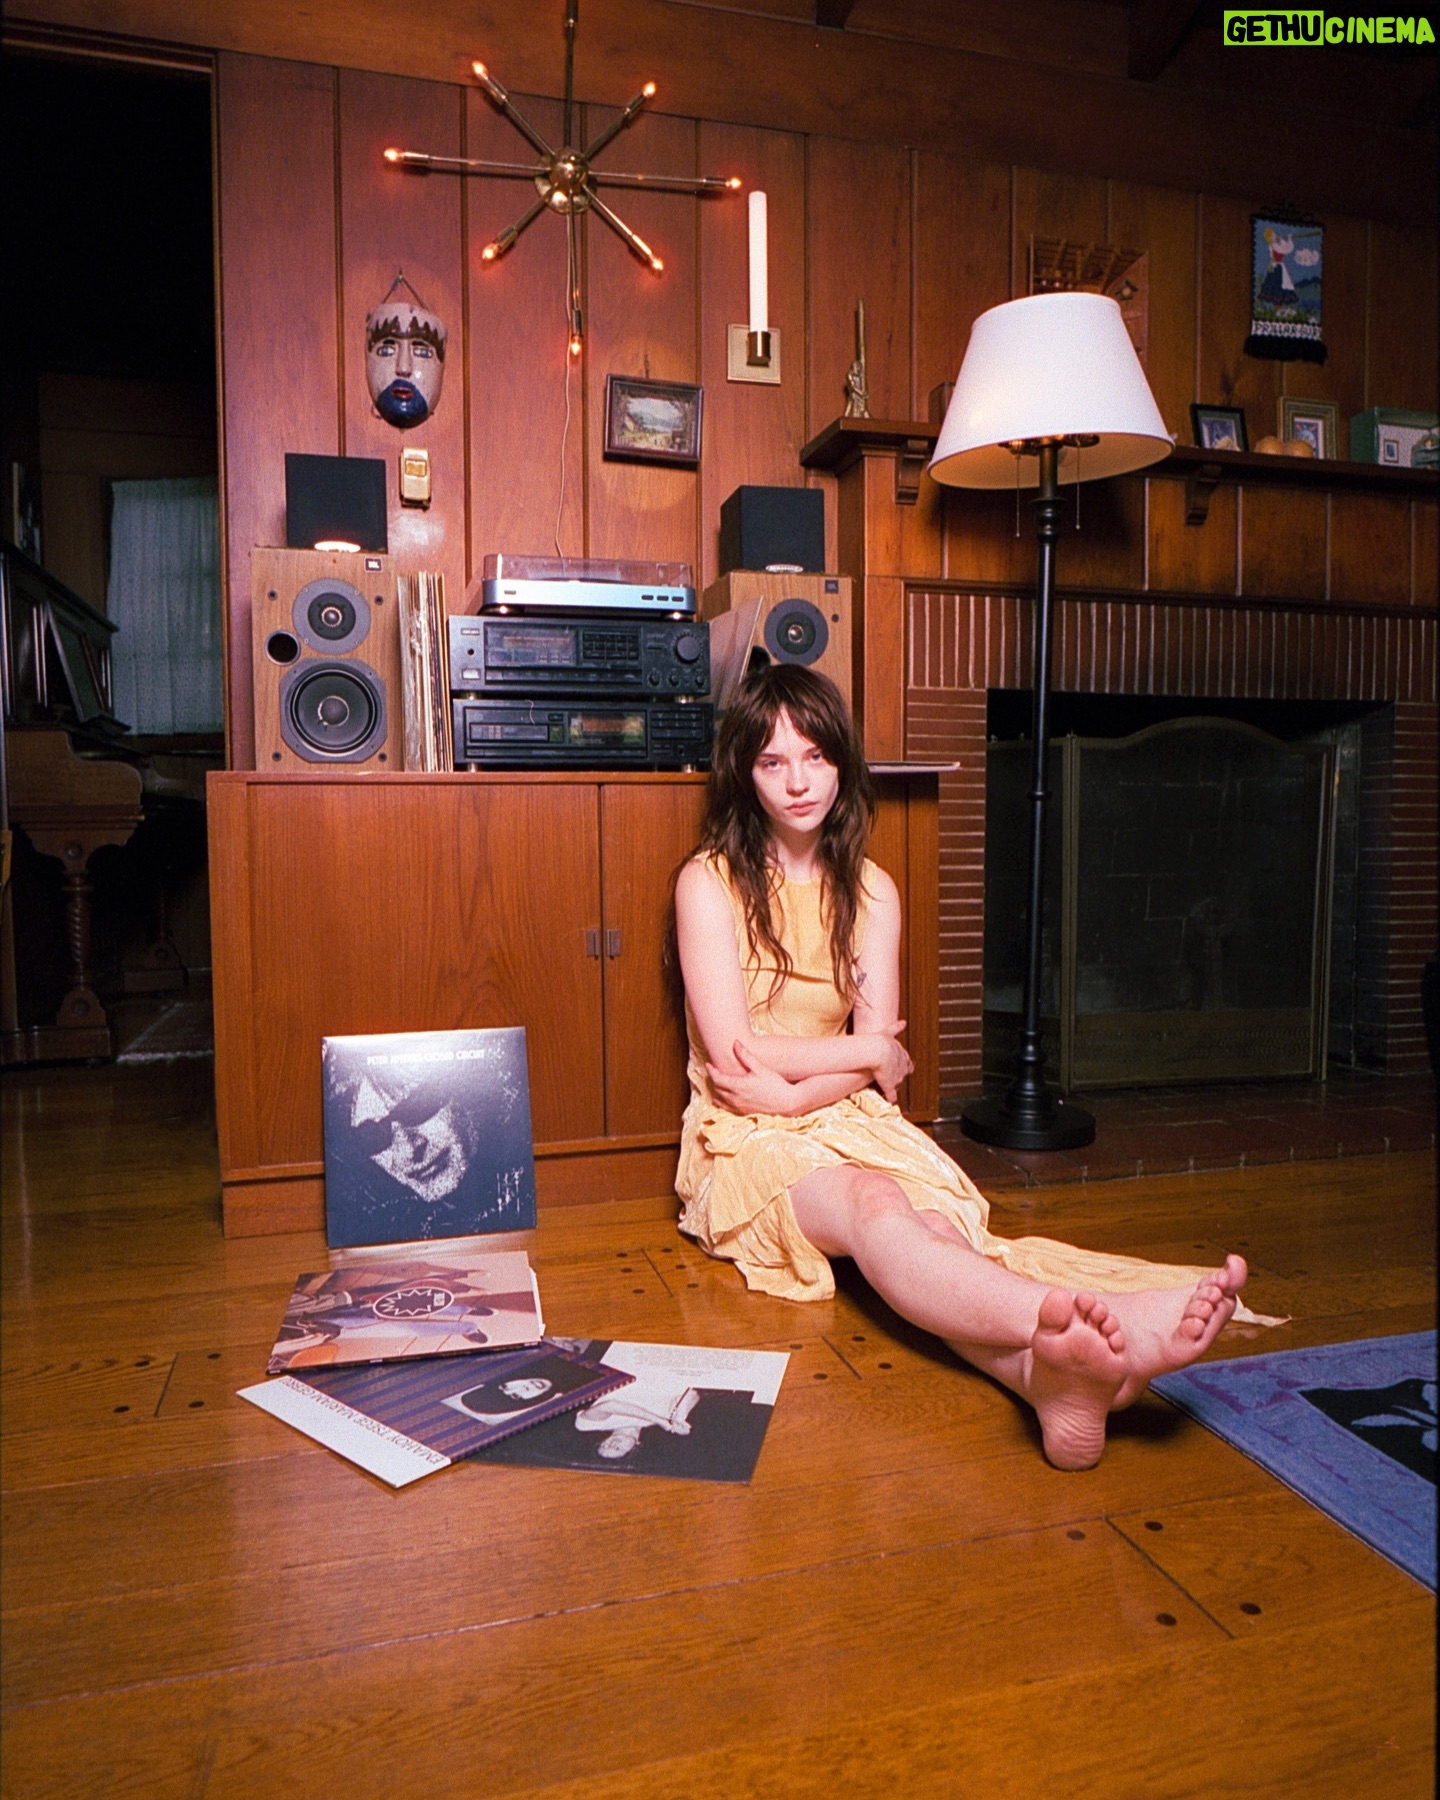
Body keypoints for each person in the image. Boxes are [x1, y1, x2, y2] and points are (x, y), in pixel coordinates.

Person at [673, 664, 1268, 1471]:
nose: (798, 782)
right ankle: (1105, 1319)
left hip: (828, 1109)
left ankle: (1043, 1379)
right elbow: (739, 1055)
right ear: (745, 773)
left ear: (842, 762)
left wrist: (819, 1081)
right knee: (876, 1202)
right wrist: (866, 1051)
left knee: (936, 1230)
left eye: (815, 756)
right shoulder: (707, 881)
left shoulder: (873, 891)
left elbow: (869, 1068)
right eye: (772, 763)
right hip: (741, 1134)